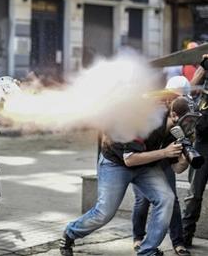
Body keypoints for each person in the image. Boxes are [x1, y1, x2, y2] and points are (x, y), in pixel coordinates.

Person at [60, 97, 193, 256]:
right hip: (116, 163)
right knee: (104, 212)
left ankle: (147, 251)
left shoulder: (176, 132)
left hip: (145, 165)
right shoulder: (146, 118)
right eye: (188, 120)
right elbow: (129, 159)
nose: (190, 125)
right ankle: (70, 233)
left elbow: (177, 169)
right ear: (174, 115)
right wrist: (165, 152)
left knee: (166, 198)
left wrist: (184, 161)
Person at [131, 81, 192, 256]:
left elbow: (179, 167)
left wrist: (184, 155)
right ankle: (138, 238)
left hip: (165, 158)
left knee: (172, 200)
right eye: (175, 95)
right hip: (143, 159)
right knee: (142, 200)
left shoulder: (184, 114)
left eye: (182, 95)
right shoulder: (153, 110)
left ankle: (178, 242)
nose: (177, 98)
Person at [182, 54, 208, 247]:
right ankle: (185, 235)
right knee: (194, 192)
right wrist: (204, 65)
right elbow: (189, 89)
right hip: (203, 141)